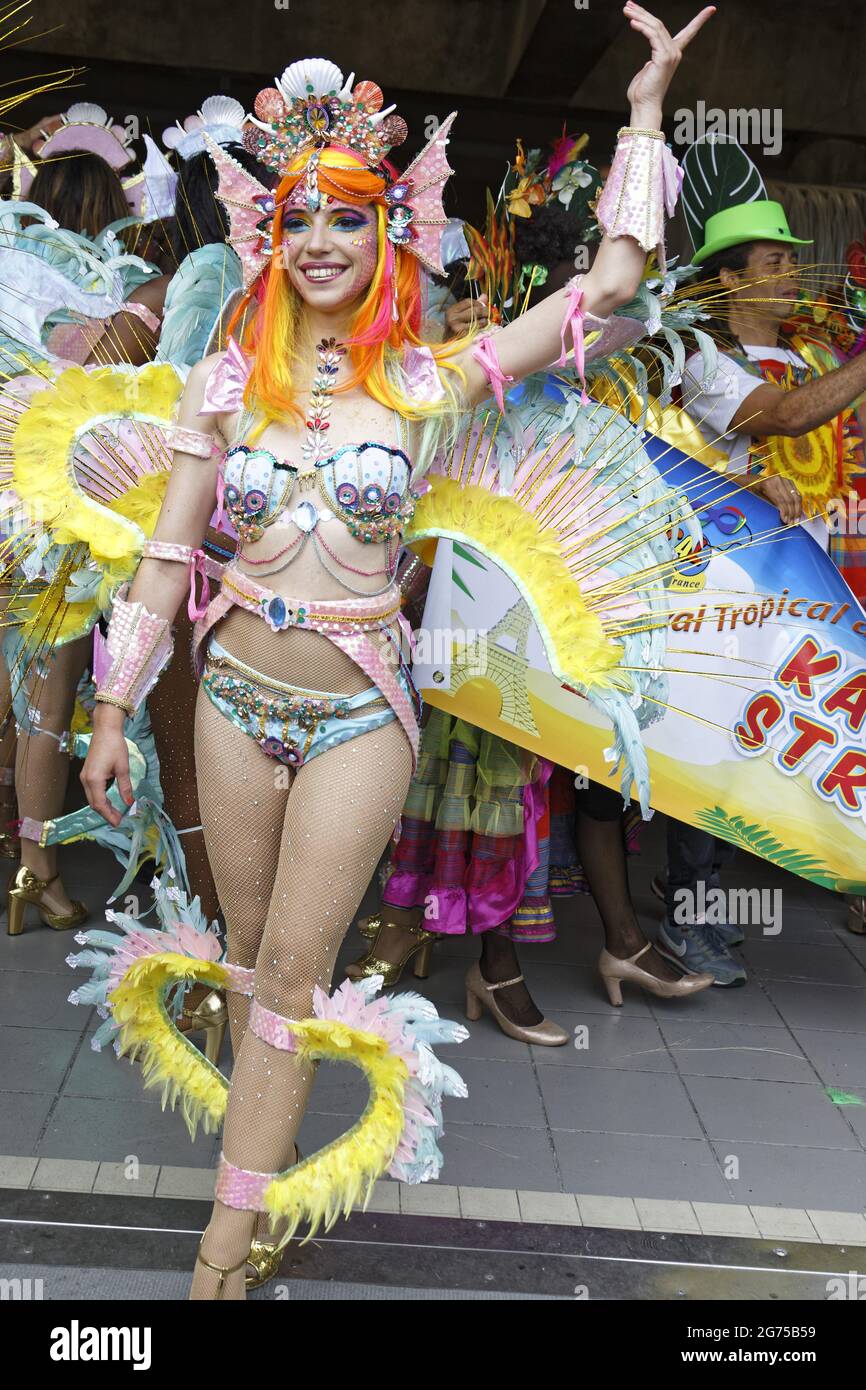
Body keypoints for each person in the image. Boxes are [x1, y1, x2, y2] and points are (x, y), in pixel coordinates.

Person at [81, 6, 716, 1300]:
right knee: (252, 954)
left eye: (349, 218)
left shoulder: (428, 381)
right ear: (269, 233)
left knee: (294, 975)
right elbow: (162, 557)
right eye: (299, 218)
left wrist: (646, 118)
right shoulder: (220, 386)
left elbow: (604, 290)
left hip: (360, 717)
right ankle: (255, 1183)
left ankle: (223, 1249)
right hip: (231, 700)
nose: (321, 241)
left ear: (389, 233)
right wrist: (107, 714)